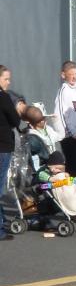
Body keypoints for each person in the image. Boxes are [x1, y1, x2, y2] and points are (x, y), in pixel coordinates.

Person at [0, 65, 20, 241]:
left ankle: (2, 220)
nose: (8, 82)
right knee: (0, 187)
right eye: (5, 78)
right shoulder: (4, 97)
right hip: (3, 146)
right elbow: (15, 119)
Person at [23, 105, 65, 171]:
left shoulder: (48, 129)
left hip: (53, 166)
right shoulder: (30, 135)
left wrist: (56, 121)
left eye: (43, 118)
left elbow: (60, 136)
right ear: (30, 122)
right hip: (42, 168)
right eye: (39, 120)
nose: (42, 121)